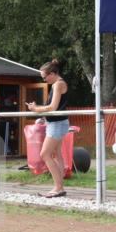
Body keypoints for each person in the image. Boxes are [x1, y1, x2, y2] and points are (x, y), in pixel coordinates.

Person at [26, 58, 69, 198]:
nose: (44, 80)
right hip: (58, 123)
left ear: (52, 74)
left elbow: (52, 107)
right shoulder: (58, 83)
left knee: (45, 154)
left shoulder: (58, 84)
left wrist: (36, 109)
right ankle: (59, 186)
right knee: (57, 154)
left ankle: (58, 187)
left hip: (57, 124)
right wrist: (39, 110)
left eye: (44, 78)